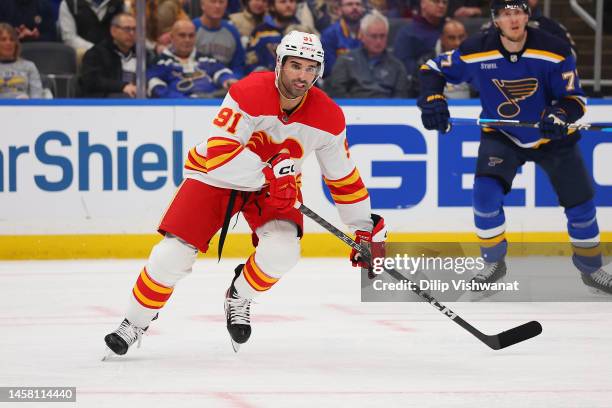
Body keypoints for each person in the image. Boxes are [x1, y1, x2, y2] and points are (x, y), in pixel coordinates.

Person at [103, 30, 387, 357]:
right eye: (296, 66)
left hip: (274, 186)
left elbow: (343, 178)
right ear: (279, 64)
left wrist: (364, 229)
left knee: (283, 252)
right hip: (218, 175)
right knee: (171, 256)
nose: (302, 76)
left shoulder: (329, 117)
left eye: (311, 68)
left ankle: (239, 296)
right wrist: (269, 172)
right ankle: (133, 322)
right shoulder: (248, 92)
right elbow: (221, 153)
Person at [417, 0, 611, 295]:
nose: (513, 19)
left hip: (551, 137)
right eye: (506, 14)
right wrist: (432, 99)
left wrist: (560, 114)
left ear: (527, 16)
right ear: (496, 20)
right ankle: (493, 263)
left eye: (518, 12)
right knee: (485, 197)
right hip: (502, 134)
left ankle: (591, 269)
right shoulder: (477, 48)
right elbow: (432, 69)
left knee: (581, 206)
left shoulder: (553, 48)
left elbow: (576, 99)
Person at [326, 10, 409, 98]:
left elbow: (400, 99)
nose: (378, 41)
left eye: (382, 36)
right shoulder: (345, 61)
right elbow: (337, 93)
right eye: (374, 36)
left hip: (388, 109)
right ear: (362, 36)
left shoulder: (397, 66)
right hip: (352, 108)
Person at [147, 20, 238, 98]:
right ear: (172, 37)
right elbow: (156, 88)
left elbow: (222, 72)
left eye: (191, 35)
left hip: (210, 104)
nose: (187, 40)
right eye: (182, 35)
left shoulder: (205, 59)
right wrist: (188, 101)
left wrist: (228, 80)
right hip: (178, 108)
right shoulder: (160, 63)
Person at [79, 13, 139, 97]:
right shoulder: (96, 54)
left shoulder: (143, 54)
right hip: (107, 102)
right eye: (127, 29)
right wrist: (122, 86)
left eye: (135, 29)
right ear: (113, 31)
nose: (132, 33)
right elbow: (91, 81)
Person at [412, 19, 469, 97]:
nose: (457, 43)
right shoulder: (426, 63)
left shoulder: (477, 60)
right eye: (451, 38)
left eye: (461, 37)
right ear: (442, 38)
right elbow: (420, 93)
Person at [393, 0, 448, 75]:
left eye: (444, 2)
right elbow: (404, 66)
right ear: (423, 3)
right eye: (436, 1)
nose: (441, 6)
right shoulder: (407, 33)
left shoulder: (451, 29)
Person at [193, 0, 246, 77]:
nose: (217, 6)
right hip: (197, 81)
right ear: (202, 5)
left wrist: (233, 80)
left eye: (221, 2)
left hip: (226, 82)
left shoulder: (232, 31)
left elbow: (238, 67)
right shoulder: (191, 28)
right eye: (213, 2)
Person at [58, 0, 125, 55]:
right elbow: (69, 38)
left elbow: (125, 33)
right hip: (82, 56)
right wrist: (97, 50)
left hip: (115, 55)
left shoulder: (119, 3)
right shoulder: (69, 3)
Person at [320, 0, 365, 76]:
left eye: (358, 4)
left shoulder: (369, 32)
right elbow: (330, 70)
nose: (355, 7)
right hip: (340, 82)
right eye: (349, 4)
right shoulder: (329, 34)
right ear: (340, 9)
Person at [0, 23, 44, 98]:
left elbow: (37, 96)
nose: (8, 43)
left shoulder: (29, 66)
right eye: (3, 39)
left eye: (12, 39)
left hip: (26, 107)